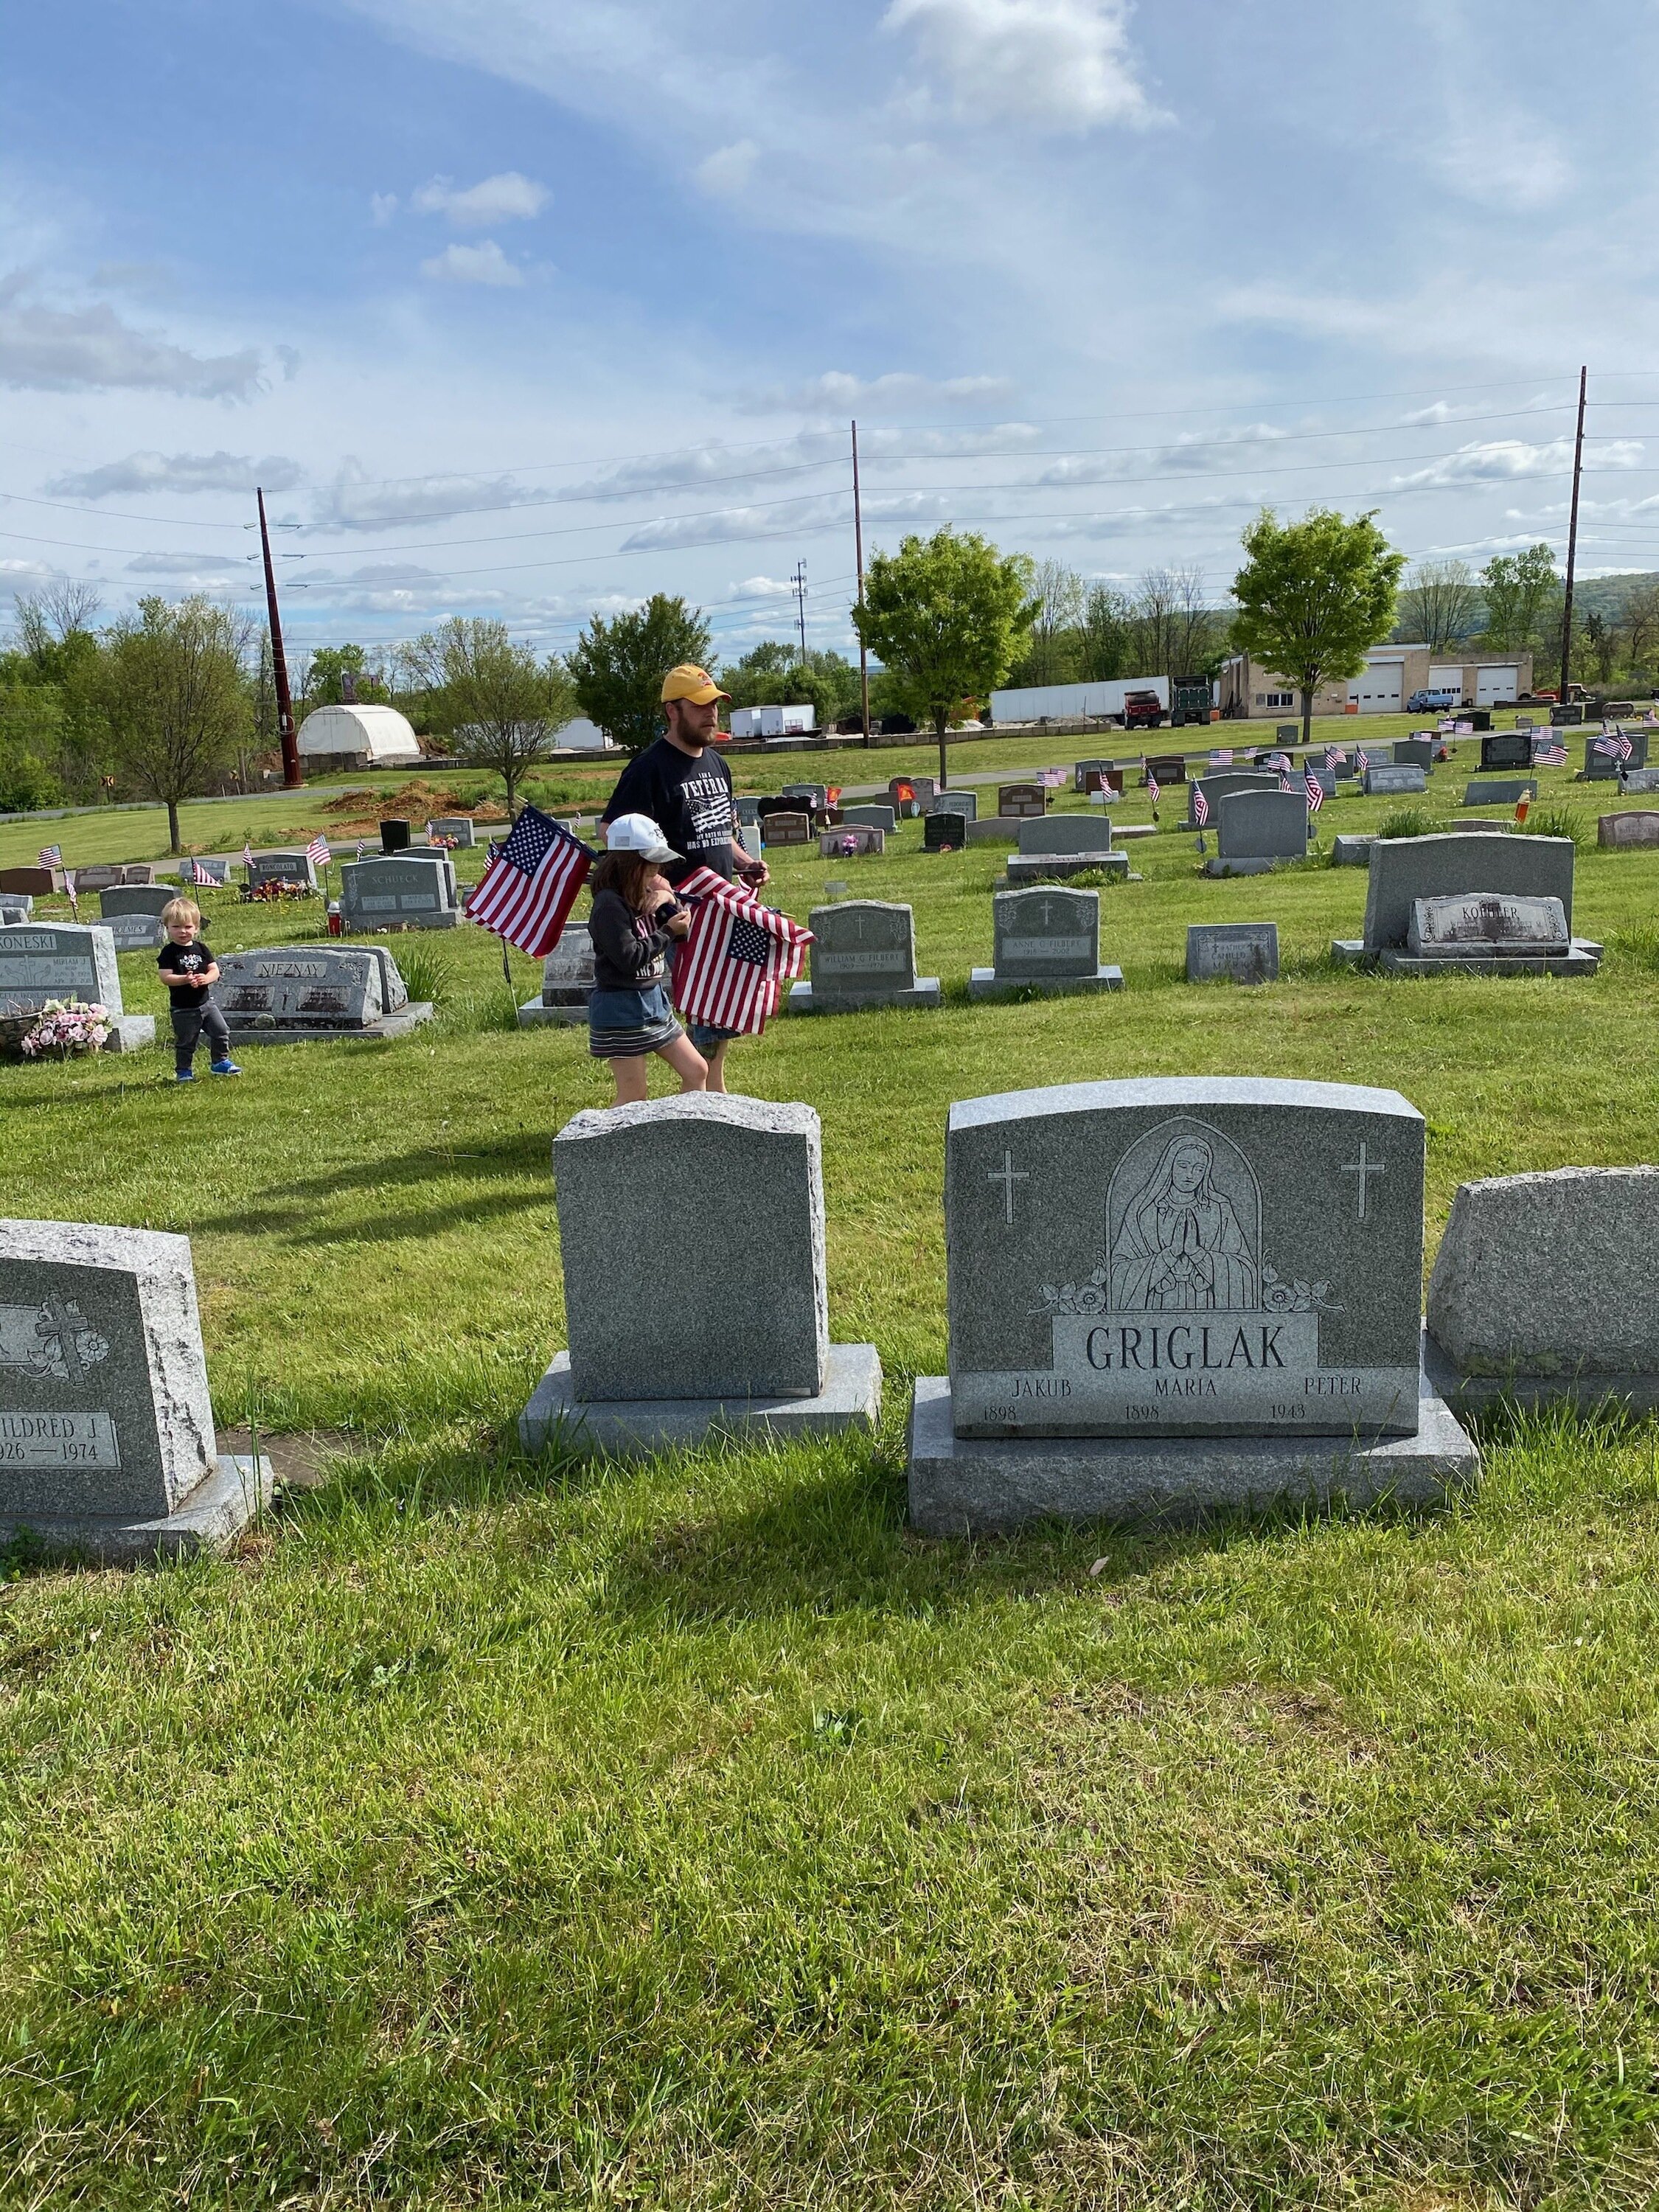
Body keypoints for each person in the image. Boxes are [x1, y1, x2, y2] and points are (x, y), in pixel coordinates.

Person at [601, 663, 768, 1093]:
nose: (711, 714)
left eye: (714, 705)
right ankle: (698, 1095)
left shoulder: (716, 763)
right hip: (676, 911)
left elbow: (718, 831)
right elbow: (612, 832)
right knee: (689, 1005)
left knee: (718, 1002)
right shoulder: (648, 769)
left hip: (720, 905)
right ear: (673, 711)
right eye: (700, 706)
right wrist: (657, 888)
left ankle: (712, 1088)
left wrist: (746, 862)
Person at [586, 813, 708, 1106]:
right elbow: (629, 958)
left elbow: (682, 934)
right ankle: (601, 1148)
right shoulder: (609, 906)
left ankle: (689, 1138)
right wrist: (667, 931)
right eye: (650, 862)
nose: (657, 869)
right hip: (620, 1008)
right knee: (633, 1095)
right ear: (629, 862)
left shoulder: (644, 891)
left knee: (697, 1070)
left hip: (653, 1002)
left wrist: (670, 902)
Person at [156, 898, 240, 1084]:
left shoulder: (201, 948)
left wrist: (205, 978)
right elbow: (165, 977)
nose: (183, 931)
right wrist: (185, 979)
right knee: (187, 1042)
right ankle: (184, 1071)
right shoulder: (169, 953)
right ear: (167, 928)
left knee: (221, 1031)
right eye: (176, 927)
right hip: (183, 1008)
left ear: (196, 928)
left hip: (206, 1003)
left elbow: (214, 971)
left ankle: (220, 1062)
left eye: (188, 926)